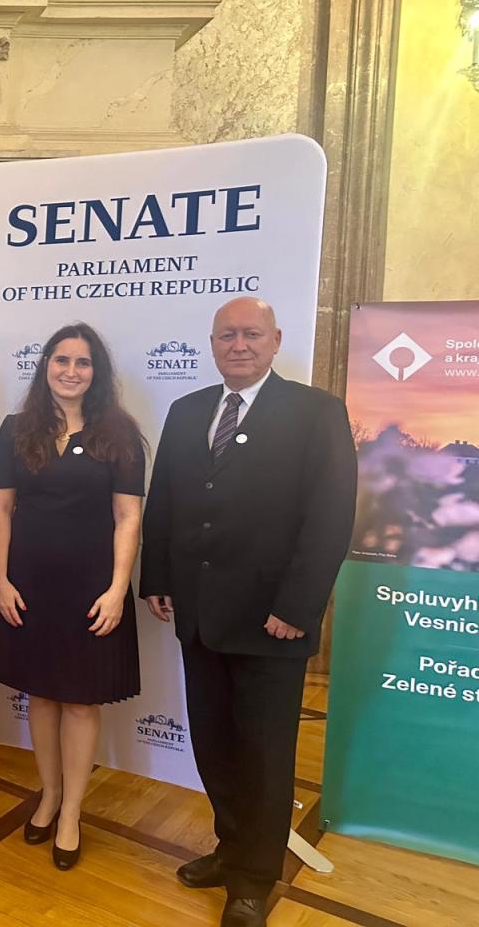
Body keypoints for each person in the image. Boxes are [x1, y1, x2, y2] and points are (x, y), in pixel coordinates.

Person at [140, 298, 356, 927]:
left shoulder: (317, 412)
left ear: (275, 340)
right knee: (214, 745)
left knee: (264, 756)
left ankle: (254, 881)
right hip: (200, 616)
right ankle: (230, 849)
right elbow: (165, 502)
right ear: (212, 343)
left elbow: (331, 516)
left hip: (272, 622)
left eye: (252, 334)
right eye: (227, 335)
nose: (239, 345)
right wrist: (158, 578)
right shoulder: (187, 411)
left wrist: (298, 605)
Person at [0, 323, 144, 871]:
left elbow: (128, 516)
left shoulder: (120, 433)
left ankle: (72, 811)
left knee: (79, 700)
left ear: (96, 372)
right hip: (28, 585)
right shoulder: (15, 430)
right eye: (61, 360)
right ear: (45, 366)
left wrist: (118, 589)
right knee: (42, 695)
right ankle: (49, 795)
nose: (70, 371)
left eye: (82, 362)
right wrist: (0, 578)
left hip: (91, 589)